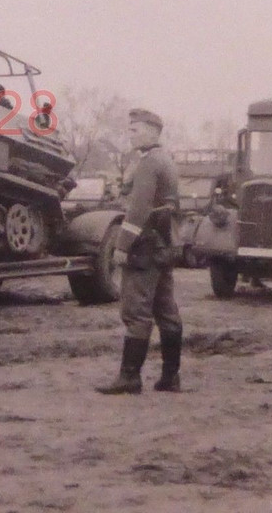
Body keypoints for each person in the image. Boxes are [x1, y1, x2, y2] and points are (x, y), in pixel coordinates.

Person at [96, 108, 183, 395]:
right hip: (164, 244)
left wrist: (122, 246)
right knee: (166, 310)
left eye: (134, 129)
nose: (129, 134)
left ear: (151, 131)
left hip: (144, 246)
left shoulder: (148, 163)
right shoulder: (166, 160)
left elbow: (139, 209)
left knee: (136, 312)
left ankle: (129, 378)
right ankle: (171, 377)